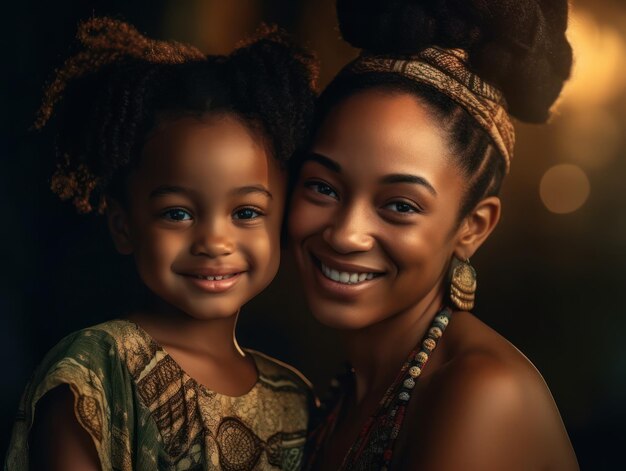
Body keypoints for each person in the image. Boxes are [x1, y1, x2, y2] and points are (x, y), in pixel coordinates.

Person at [5, 17, 316, 471]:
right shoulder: (95, 370)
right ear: (123, 225)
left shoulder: (296, 397)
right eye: (178, 214)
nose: (214, 241)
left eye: (246, 213)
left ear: (282, 221)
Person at [288, 0, 579, 469]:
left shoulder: (481, 392)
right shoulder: (352, 388)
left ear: (473, 227)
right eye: (323, 187)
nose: (346, 234)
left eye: (400, 205)